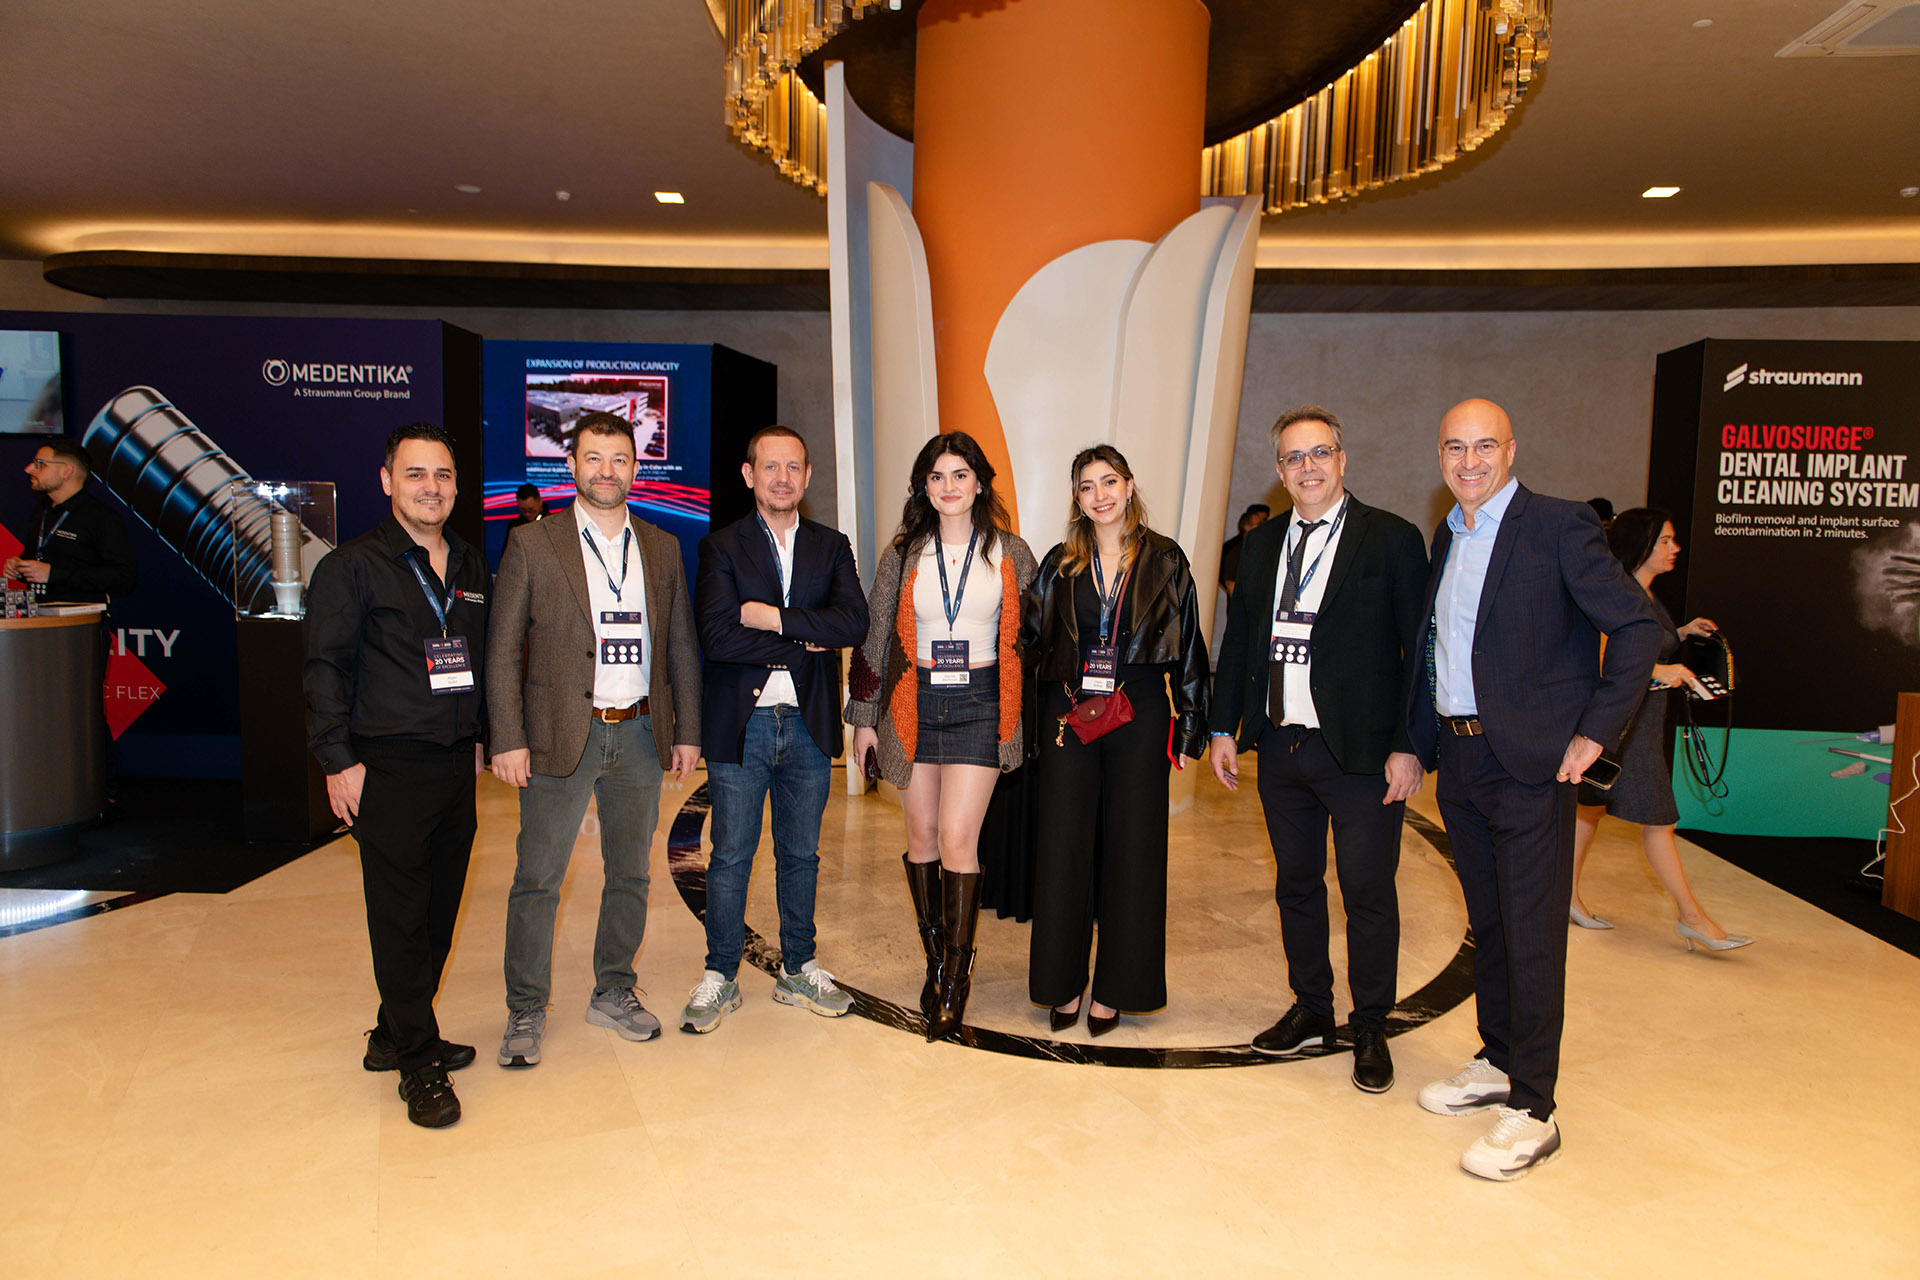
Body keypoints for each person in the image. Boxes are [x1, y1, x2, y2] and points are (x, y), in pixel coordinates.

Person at [1405, 398, 1661, 1180]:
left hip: (1532, 765)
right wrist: (1417, 745)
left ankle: (1534, 1107)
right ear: (1441, 456)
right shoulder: (1448, 534)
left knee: (1533, 931)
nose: (1469, 461)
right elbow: (1440, 650)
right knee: (1490, 923)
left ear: (1511, 450)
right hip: (1463, 760)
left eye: (1485, 445)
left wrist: (1595, 731)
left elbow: (1639, 628)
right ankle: (1498, 1059)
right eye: (1455, 447)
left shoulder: (1558, 524)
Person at [1208, 406, 1427, 1092]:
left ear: (1342, 459)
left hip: (1362, 753)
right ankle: (1312, 1007)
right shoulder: (1262, 545)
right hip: (1282, 745)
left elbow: (1419, 653)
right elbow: (1239, 642)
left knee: (1367, 892)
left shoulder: (1390, 538)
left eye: (1320, 453)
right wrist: (1222, 727)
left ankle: (1371, 1024)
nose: (1308, 467)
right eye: (1294, 457)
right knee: (1296, 885)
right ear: (1279, 471)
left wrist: (1409, 745)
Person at [486, 412, 702, 1068]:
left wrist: (687, 730)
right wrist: (507, 737)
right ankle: (526, 1006)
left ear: (636, 468)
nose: (606, 471)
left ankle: (613, 990)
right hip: (558, 735)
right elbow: (502, 649)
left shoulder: (661, 547)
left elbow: (681, 645)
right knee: (538, 877)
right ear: (571, 465)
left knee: (630, 873)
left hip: (638, 732)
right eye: (593, 458)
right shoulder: (533, 544)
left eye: (619, 459)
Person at [304, 423, 489, 1129]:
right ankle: (418, 1061)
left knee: (438, 913)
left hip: (453, 763)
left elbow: (476, 657)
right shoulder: (351, 567)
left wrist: (479, 735)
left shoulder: (469, 564)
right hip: (384, 767)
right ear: (387, 481)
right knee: (400, 919)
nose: (430, 488)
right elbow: (325, 669)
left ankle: (393, 1031)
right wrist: (336, 761)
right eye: (415, 474)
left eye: (442, 475)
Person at [845, 432, 1039, 1040]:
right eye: (936, 476)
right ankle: (935, 957)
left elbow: (1036, 638)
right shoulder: (904, 553)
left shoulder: (1010, 551)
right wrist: (863, 720)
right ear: (924, 487)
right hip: (914, 702)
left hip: (983, 704)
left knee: (958, 837)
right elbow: (876, 637)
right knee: (921, 836)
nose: (948, 486)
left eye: (960, 475)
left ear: (979, 483)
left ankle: (956, 978)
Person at [681, 425, 869, 1032]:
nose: (782, 478)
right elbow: (718, 637)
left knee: (801, 855)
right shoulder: (721, 546)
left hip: (810, 725)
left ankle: (798, 968)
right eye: (770, 466)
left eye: (793, 467)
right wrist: (806, 638)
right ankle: (720, 974)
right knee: (731, 854)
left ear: (807, 476)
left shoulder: (831, 545)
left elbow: (854, 624)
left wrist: (771, 619)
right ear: (749, 474)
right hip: (743, 725)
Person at [1024, 444, 1209, 1035]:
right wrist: (1019, 724)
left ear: (1129, 486)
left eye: (1109, 482)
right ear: (1076, 499)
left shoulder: (1166, 559)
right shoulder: (1060, 564)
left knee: (1134, 848)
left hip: (1141, 708)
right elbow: (1029, 644)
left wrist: (1192, 722)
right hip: (1069, 712)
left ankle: (1117, 989)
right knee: (1063, 847)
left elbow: (1190, 644)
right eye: (1087, 486)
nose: (1099, 495)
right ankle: (1062, 982)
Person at [1569, 507, 1753, 951]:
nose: (1675, 548)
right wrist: (1659, 671)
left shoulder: (1644, 593)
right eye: (1666, 541)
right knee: (1658, 821)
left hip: (1642, 724)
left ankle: (1564, 897)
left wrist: (1681, 631)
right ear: (1642, 545)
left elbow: (1646, 640)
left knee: (1589, 810)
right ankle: (1692, 917)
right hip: (1626, 726)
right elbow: (1603, 658)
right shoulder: (1619, 592)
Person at [5, 440, 138, 603]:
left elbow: (124, 578)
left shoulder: (101, 517)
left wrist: (55, 574)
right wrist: (20, 567)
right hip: (37, 613)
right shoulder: (41, 511)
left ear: (66, 471)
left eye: (40, 464)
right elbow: (38, 558)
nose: (29, 469)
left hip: (81, 616)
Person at [1218, 503, 1271, 598]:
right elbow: (1231, 585)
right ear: (1247, 527)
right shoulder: (1235, 551)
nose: (1263, 527)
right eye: (1259, 524)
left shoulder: (1263, 548)